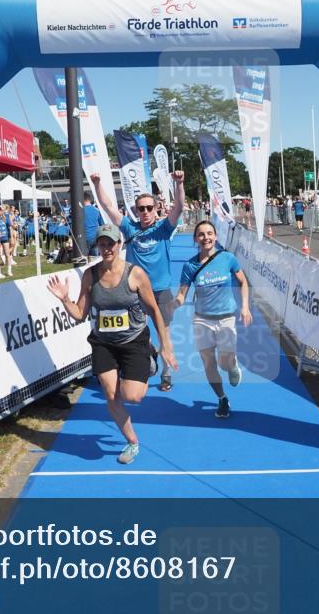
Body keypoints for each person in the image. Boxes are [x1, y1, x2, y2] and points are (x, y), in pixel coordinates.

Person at [47, 224, 177, 465]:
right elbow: (80, 313)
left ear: (119, 245)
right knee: (110, 394)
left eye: (111, 243)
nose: (106, 248)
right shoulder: (91, 275)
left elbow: (155, 311)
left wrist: (165, 345)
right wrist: (65, 299)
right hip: (103, 342)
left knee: (133, 396)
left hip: (134, 341)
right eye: (102, 244)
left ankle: (149, 359)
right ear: (98, 246)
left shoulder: (135, 274)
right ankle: (132, 441)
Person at [90, 168, 185, 392]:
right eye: (140, 208)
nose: (145, 212)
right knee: (134, 331)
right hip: (133, 291)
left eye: (149, 208)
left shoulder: (164, 228)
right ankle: (145, 353)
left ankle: (166, 373)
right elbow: (108, 207)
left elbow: (179, 207)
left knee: (165, 332)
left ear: (156, 209)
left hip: (160, 290)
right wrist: (96, 184)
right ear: (136, 210)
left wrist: (179, 184)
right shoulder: (129, 227)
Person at [176, 220, 252, 418]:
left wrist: (245, 307)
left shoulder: (227, 258)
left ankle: (233, 366)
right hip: (202, 320)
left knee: (224, 363)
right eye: (201, 234)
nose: (206, 237)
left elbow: (243, 282)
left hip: (226, 319)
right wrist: (172, 304)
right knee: (209, 363)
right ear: (195, 239)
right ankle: (222, 398)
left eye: (209, 233)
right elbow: (182, 294)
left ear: (216, 236)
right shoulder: (190, 265)